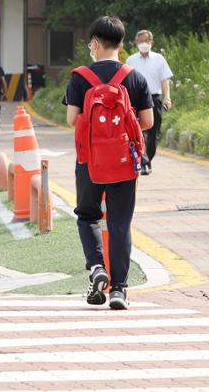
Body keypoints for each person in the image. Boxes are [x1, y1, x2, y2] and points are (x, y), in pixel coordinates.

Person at [63, 16, 153, 310]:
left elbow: (72, 119)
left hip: (89, 161)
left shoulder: (80, 77)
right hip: (124, 163)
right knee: (119, 223)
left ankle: (96, 267)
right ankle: (120, 291)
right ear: (123, 44)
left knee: (87, 215)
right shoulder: (134, 76)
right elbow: (148, 121)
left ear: (95, 43)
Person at [126, 30, 173, 175]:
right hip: (135, 99)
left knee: (153, 133)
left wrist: (167, 97)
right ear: (136, 43)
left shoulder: (159, 59)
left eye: (145, 41)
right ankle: (143, 161)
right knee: (137, 130)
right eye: (139, 42)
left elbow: (165, 79)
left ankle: (147, 160)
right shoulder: (130, 60)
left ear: (151, 43)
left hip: (154, 98)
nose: (143, 44)